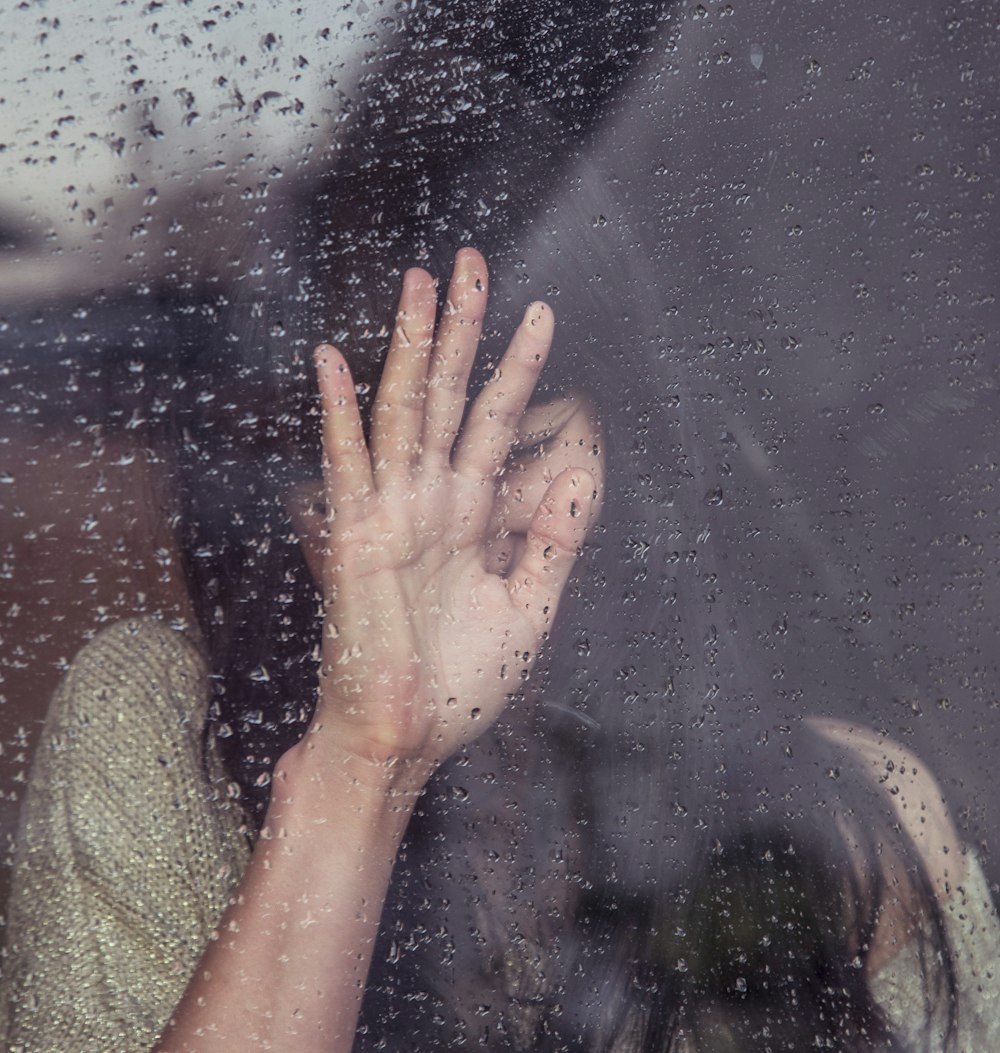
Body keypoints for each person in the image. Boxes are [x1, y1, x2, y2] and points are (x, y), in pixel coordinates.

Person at [3, 244, 1000, 1053]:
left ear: (634, 442)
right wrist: (367, 763)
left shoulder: (843, 821)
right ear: (288, 523)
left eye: (515, 454)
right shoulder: (162, 734)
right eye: (368, 487)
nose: (450, 535)